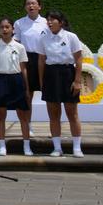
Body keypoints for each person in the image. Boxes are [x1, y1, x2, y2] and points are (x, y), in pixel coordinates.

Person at [38, 10, 84, 158]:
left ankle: (77, 147)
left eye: (53, 20)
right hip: (51, 75)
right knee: (54, 114)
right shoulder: (44, 38)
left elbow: (78, 59)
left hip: (67, 74)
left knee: (72, 112)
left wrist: (77, 81)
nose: (49, 22)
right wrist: (41, 81)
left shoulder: (71, 37)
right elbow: (41, 60)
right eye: (48, 20)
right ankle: (57, 148)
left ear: (61, 22)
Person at [0, 17, 32, 157]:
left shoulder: (19, 47)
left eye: (7, 27)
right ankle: (2, 145)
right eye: (2, 27)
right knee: (1, 114)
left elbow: (23, 68)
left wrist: (26, 87)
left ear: (13, 29)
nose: (5, 30)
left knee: (23, 115)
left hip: (16, 79)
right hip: (1, 79)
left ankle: (27, 146)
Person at [13, 0, 47, 101]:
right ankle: (27, 118)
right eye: (28, 4)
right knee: (27, 94)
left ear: (39, 6)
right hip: (26, 59)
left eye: (33, 3)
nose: (31, 6)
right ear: (25, 7)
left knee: (48, 92)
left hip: (44, 58)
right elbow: (15, 42)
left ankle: (53, 118)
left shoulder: (46, 22)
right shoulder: (19, 23)